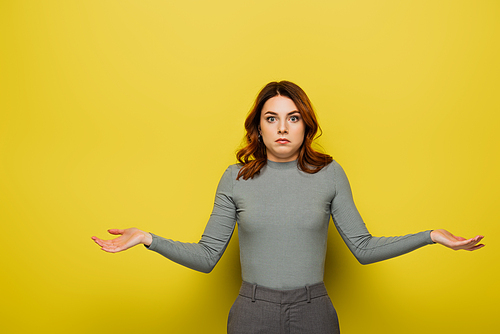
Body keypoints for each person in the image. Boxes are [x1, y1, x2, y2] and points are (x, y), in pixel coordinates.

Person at [91, 81, 485, 334]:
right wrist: (147, 238)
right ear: (258, 128)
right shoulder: (235, 178)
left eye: (292, 118)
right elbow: (208, 256)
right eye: (272, 118)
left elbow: (363, 249)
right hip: (251, 312)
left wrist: (431, 236)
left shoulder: (330, 174)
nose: (282, 128)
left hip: (315, 312)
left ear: (305, 125)